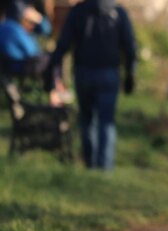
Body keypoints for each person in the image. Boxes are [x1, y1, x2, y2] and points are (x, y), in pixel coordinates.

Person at [45, 0, 136, 170]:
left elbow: (63, 44)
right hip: (109, 74)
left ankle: (91, 164)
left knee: (87, 120)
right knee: (106, 122)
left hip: (84, 73)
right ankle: (104, 168)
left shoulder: (79, 12)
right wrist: (130, 74)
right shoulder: (119, 13)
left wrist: (51, 68)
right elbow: (130, 46)